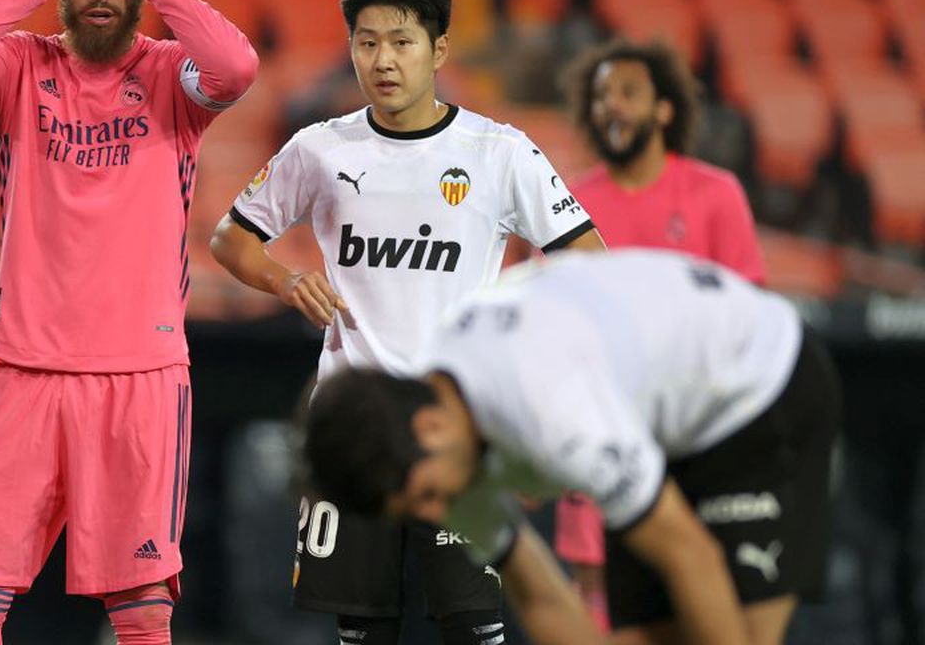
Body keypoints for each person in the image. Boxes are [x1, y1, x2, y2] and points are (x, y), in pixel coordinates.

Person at [210, 0, 605, 645]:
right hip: (352, 423)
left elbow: (588, 259)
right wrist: (285, 280)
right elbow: (231, 239)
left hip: (454, 422)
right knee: (361, 629)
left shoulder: (499, 152)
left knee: (475, 625)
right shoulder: (320, 148)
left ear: (439, 50)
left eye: (401, 42)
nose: (383, 60)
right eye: (366, 43)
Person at [0, 0, 258, 644]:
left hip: (139, 374)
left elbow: (236, 67)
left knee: (141, 616)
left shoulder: (172, 78)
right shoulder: (19, 68)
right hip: (22, 371)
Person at [305, 249, 840, 645]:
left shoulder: (551, 412)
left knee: (737, 634)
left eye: (424, 496)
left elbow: (690, 556)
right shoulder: (440, 444)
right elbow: (541, 600)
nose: (431, 514)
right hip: (652, 409)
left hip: (758, 385)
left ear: (430, 427)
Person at [556, 38, 767, 625]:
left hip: (692, 431)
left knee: (695, 594)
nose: (611, 107)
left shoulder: (716, 194)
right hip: (597, 427)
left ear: (664, 109)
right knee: (596, 600)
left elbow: (748, 313)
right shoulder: (567, 202)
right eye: (601, 96)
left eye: (628, 93)